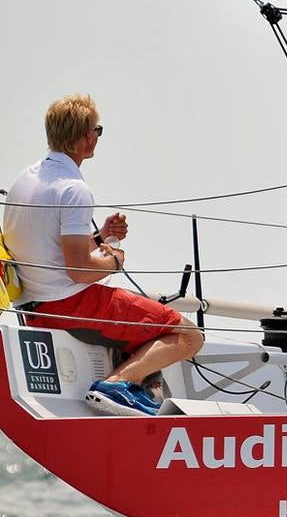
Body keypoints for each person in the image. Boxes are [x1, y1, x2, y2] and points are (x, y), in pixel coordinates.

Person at [3, 94, 203, 415]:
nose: (97, 136)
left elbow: (46, 243)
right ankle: (116, 385)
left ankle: (131, 386)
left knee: (150, 322)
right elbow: (79, 271)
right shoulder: (73, 188)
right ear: (86, 136)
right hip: (69, 303)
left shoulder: (24, 180)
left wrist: (99, 237)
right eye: (97, 130)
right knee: (188, 335)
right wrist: (115, 260)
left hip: (33, 304)